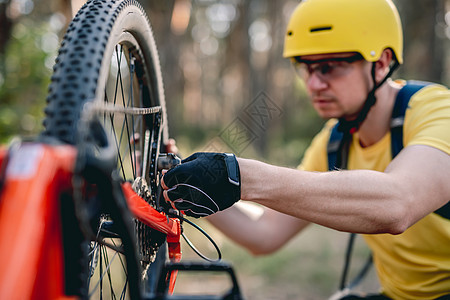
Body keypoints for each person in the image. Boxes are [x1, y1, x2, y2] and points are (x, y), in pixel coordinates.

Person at [161, 0, 450, 299]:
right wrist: (188, 184)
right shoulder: (336, 141)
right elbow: (265, 233)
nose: (313, 84)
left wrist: (240, 174)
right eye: (306, 67)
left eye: (329, 67)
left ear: (380, 63)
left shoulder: (438, 111)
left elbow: (397, 204)